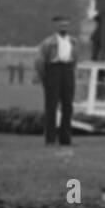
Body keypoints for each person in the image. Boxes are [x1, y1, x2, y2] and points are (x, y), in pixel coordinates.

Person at [34, 15, 79, 146]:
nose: (63, 27)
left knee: (68, 105)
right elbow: (40, 60)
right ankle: (50, 138)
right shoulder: (48, 42)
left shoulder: (74, 41)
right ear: (56, 26)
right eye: (61, 25)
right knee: (51, 105)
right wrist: (44, 76)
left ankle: (66, 138)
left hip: (68, 70)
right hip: (53, 69)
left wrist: (71, 70)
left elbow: (75, 58)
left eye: (65, 25)